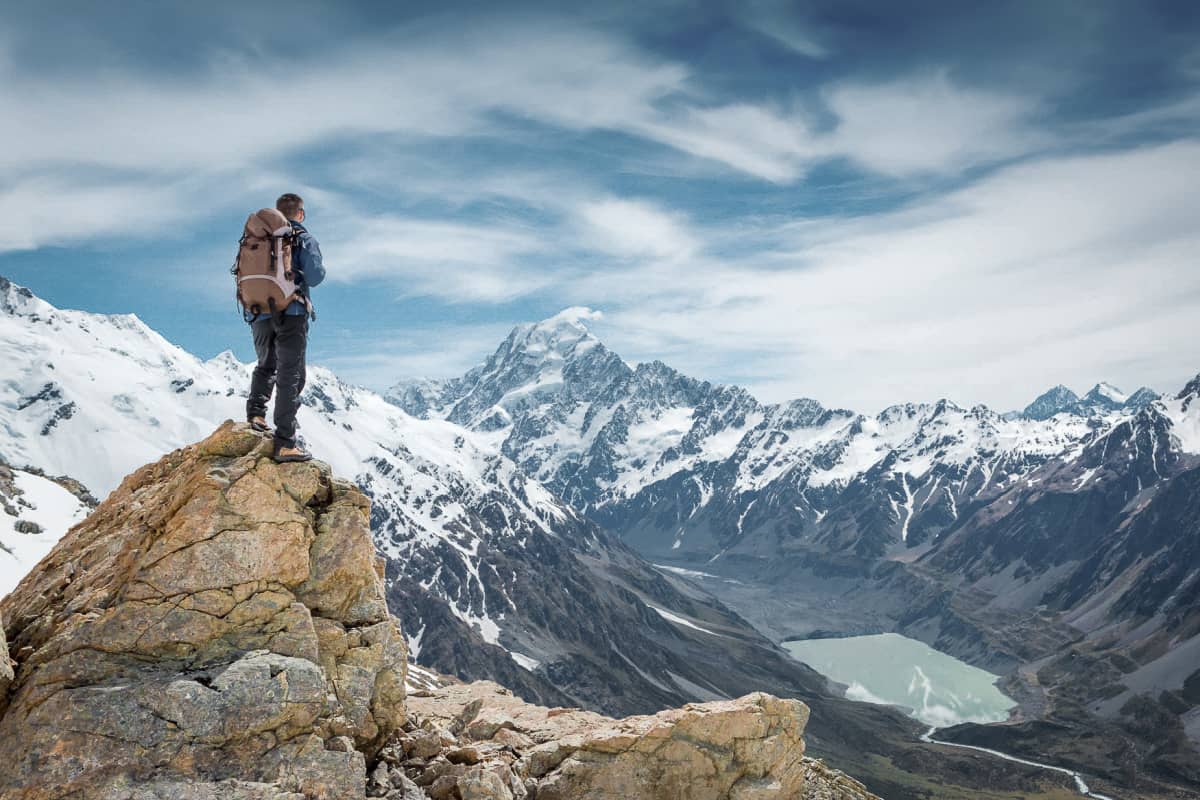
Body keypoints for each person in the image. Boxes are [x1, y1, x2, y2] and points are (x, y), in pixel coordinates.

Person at [245, 192, 325, 463]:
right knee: (291, 375)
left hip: (257, 311)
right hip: (291, 311)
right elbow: (314, 276)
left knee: (265, 364)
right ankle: (285, 442)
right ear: (300, 213)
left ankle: (256, 415)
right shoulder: (303, 238)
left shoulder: (258, 238)